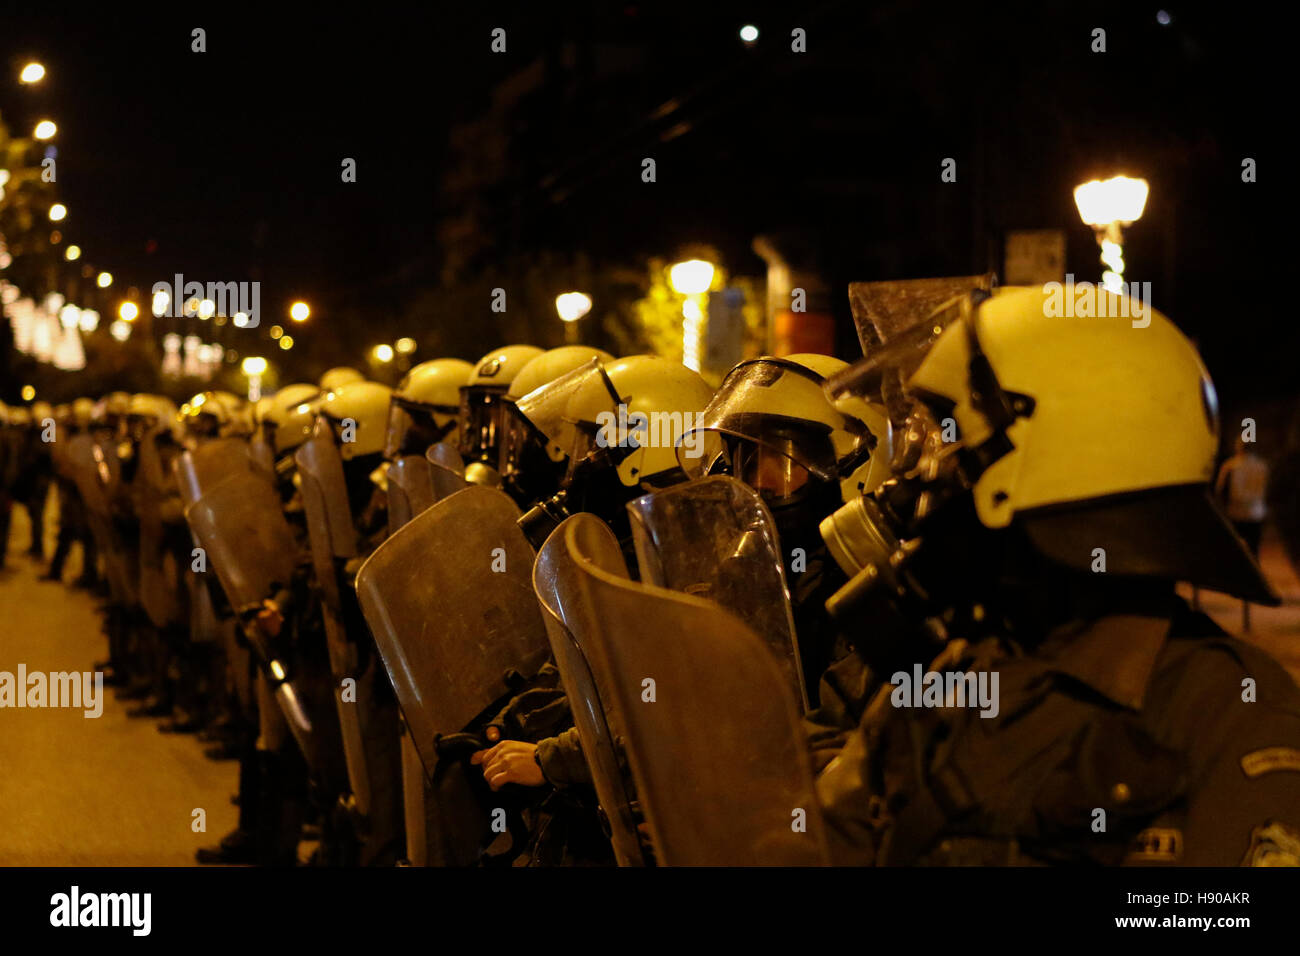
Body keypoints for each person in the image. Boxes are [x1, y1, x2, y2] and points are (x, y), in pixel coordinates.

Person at [816, 285, 1300, 866]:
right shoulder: (950, 677)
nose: (918, 482)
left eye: (950, 442)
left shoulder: (1229, 714)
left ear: (1057, 459)